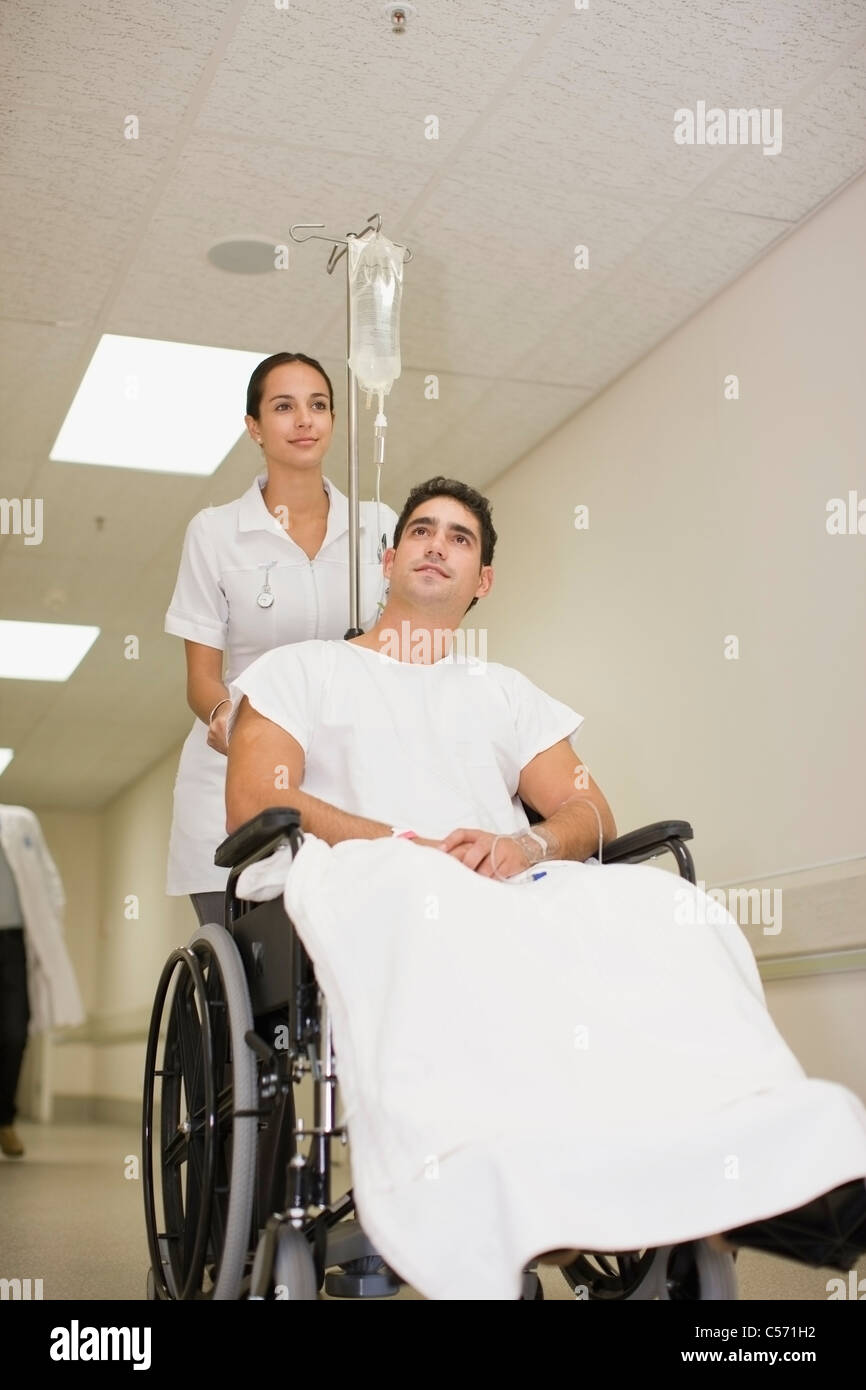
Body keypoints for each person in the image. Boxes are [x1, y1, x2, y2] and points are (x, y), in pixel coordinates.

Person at [223, 476, 866, 1283]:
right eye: (421, 531)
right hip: (372, 879)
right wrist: (401, 841)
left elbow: (587, 809)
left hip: (502, 884)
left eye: (460, 539)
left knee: (668, 908)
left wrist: (524, 845)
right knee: (429, 905)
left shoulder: (503, 692)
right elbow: (258, 798)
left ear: (482, 580)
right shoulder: (303, 671)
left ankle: (750, 1146)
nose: (437, 546)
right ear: (389, 559)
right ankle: (491, 1176)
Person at [164, 351, 399, 926]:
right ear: (254, 427)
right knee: (250, 966)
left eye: (318, 405)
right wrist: (227, 721)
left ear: (334, 421)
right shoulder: (215, 533)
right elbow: (201, 678)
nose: (304, 420)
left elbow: (400, 645)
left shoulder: (378, 525)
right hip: (234, 775)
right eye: (284, 406)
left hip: (346, 777)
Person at [0, 806, 85, 1157]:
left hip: (15, 942)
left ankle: (4, 1121)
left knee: (14, 1032)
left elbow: (49, 881)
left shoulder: (20, 820)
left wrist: (52, 929)